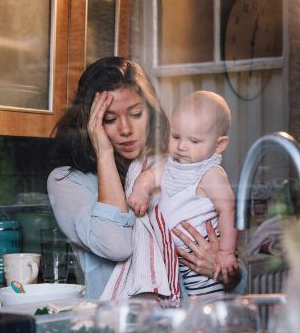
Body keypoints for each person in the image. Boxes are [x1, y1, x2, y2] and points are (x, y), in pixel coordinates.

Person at [47, 57, 243, 299]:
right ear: (90, 123)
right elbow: (116, 245)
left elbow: (236, 278)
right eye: (109, 119)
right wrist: (104, 152)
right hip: (118, 329)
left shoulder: (177, 168)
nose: (126, 129)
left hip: (185, 322)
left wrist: (224, 270)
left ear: (150, 114)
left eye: (136, 114)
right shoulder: (68, 182)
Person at [128, 90, 238, 296]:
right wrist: (140, 191)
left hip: (202, 258)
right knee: (182, 307)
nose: (181, 146)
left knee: (206, 305)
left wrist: (225, 253)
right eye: (176, 136)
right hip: (175, 259)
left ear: (219, 144)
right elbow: (150, 176)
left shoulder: (210, 173)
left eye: (194, 141)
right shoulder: (172, 165)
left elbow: (228, 211)